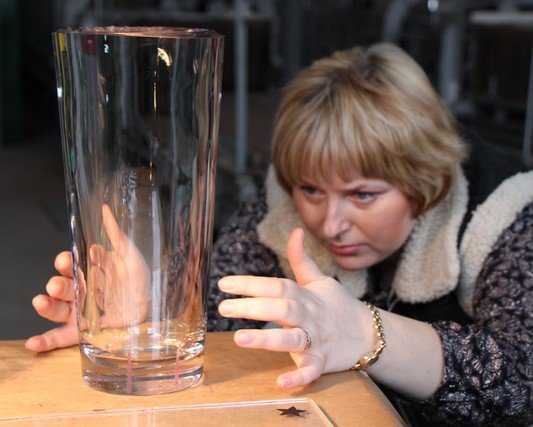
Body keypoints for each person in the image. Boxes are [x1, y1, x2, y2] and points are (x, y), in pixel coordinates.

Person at [26, 43, 533, 426]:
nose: (330, 224)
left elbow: (522, 379)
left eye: (363, 195)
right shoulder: (277, 212)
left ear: (423, 182)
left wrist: (365, 334)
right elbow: (222, 321)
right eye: (311, 190)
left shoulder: (508, 213)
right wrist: (153, 316)